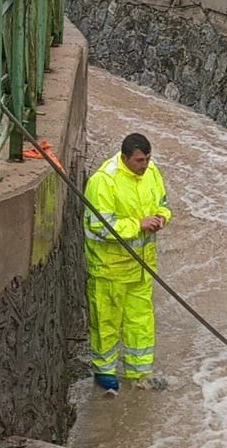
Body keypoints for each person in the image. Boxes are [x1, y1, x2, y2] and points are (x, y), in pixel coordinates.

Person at [84, 132, 172, 394]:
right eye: (139, 161)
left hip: (142, 268)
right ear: (125, 158)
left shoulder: (152, 172)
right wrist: (138, 225)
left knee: (140, 322)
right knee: (106, 322)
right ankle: (105, 371)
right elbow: (99, 225)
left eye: (147, 159)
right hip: (110, 269)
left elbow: (163, 203)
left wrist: (161, 217)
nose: (145, 165)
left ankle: (139, 372)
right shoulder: (104, 181)